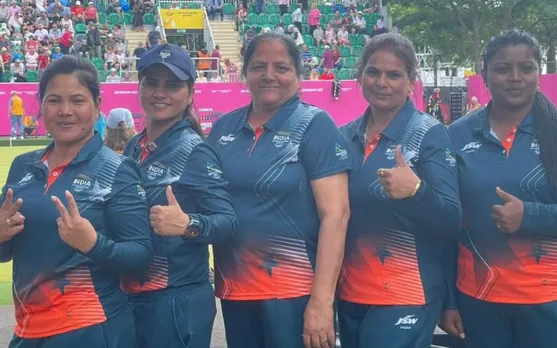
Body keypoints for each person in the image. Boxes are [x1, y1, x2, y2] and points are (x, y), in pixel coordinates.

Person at [207, 32, 351, 348]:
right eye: (259, 66)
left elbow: (337, 216)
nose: (269, 75)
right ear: (245, 73)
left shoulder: (315, 125)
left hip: (295, 293)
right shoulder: (222, 128)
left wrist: (321, 303)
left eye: (281, 67)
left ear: (298, 75)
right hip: (236, 289)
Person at [0, 55, 153, 348]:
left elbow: (140, 256)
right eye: (54, 100)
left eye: (78, 100)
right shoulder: (23, 165)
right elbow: (7, 252)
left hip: (91, 330)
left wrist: (94, 243)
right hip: (28, 330)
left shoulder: (117, 169)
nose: (65, 111)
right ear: (41, 105)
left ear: (97, 106)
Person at [337, 33, 461, 348]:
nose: (382, 82)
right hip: (350, 292)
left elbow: (452, 219)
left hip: (406, 292)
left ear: (410, 82)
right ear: (360, 75)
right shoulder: (344, 135)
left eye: (394, 74)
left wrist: (416, 190)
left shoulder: (428, 133)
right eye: (373, 72)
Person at [440, 29, 557, 348]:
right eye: (503, 69)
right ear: (485, 76)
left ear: (539, 74)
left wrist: (529, 215)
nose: (515, 77)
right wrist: (449, 298)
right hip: (478, 299)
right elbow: (447, 224)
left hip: (548, 300)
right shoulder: (458, 135)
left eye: (527, 68)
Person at [121, 43, 237, 348]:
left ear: (189, 95)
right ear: (140, 87)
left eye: (172, 85)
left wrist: (189, 224)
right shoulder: (135, 146)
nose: (160, 93)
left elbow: (228, 223)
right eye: (151, 83)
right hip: (133, 294)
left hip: (175, 300)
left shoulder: (195, 150)